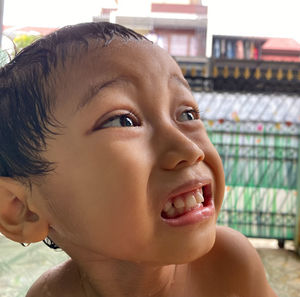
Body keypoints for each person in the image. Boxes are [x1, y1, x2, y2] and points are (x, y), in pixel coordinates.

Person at [0, 22, 277, 297]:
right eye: (123, 120)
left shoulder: (229, 267)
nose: (190, 149)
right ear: (22, 209)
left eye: (187, 114)